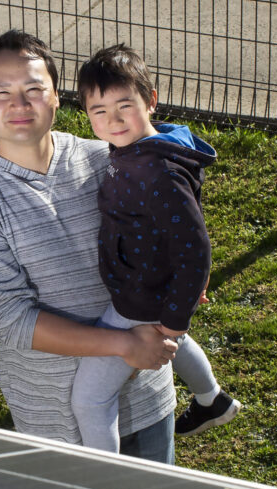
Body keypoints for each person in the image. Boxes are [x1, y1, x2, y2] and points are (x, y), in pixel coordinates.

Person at [0, 30, 178, 463]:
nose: (19, 104)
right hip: (55, 420)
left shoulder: (107, 161)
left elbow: (166, 240)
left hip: (144, 396)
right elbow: (15, 321)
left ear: (56, 98)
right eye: (1, 92)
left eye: (34, 89)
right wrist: (124, 346)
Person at [70, 44, 241, 453]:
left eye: (123, 106)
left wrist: (175, 318)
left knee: (89, 400)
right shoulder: (140, 150)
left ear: (151, 100)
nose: (112, 121)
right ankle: (211, 400)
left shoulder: (158, 172)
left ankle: (108, 482)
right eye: (99, 112)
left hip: (138, 300)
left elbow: (196, 250)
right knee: (172, 342)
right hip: (150, 286)